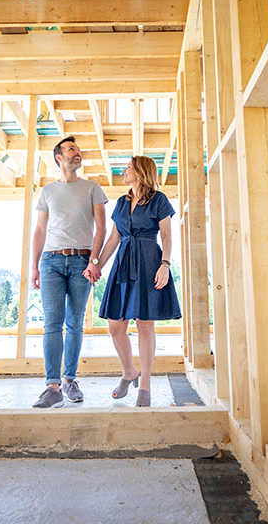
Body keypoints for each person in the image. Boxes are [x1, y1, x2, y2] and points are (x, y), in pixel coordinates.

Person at [93, 155, 181, 407]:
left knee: (145, 324)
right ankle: (129, 371)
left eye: (129, 167)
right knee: (115, 325)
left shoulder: (159, 200)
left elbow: (166, 235)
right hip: (123, 264)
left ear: (141, 173)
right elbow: (113, 239)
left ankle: (145, 385)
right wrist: (97, 263)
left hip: (149, 262)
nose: (124, 170)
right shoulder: (121, 202)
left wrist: (165, 265)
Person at [31, 136, 107, 408]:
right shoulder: (47, 191)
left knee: (74, 322)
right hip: (50, 261)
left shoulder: (92, 188)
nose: (78, 153)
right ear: (59, 158)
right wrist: (34, 265)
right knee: (52, 323)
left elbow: (102, 227)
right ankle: (53, 387)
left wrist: (94, 260)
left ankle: (69, 380)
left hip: (81, 261)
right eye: (71, 150)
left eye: (78, 150)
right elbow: (40, 230)